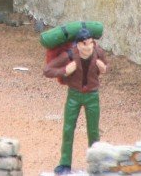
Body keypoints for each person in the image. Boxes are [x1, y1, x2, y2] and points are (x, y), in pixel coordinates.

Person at [43, 27, 108, 175]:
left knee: (93, 130)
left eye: (91, 43)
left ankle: (96, 162)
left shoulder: (98, 53)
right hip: (74, 95)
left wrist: (103, 68)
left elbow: (106, 65)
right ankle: (65, 163)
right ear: (78, 44)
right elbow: (47, 70)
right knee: (68, 129)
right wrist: (65, 71)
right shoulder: (70, 55)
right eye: (85, 44)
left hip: (92, 95)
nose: (89, 47)